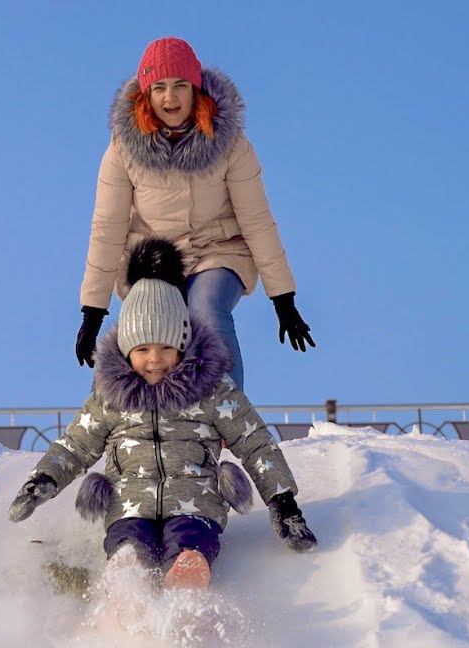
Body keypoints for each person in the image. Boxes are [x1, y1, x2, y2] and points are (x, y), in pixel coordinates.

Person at [15, 239, 317, 590]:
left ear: (183, 344)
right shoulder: (110, 397)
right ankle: (127, 586)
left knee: (191, 539)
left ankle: (188, 580)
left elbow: (255, 443)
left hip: (195, 503)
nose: (154, 359)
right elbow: (75, 445)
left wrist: (283, 501)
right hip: (128, 505)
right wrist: (42, 481)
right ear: (127, 351)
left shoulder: (212, 389)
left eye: (165, 347)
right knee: (128, 544)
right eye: (142, 349)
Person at [75, 36, 314, 390]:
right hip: (154, 259)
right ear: (146, 93)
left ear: (195, 89)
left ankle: (227, 414)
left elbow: (257, 219)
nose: (170, 98)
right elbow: (108, 227)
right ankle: (128, 427)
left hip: (218, 251)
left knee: (205, 309)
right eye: (159, 88)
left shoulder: (229, 142)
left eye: (180, 86)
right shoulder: (123, 147)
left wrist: (283, 297)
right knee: (147, 329)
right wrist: (93, 310)